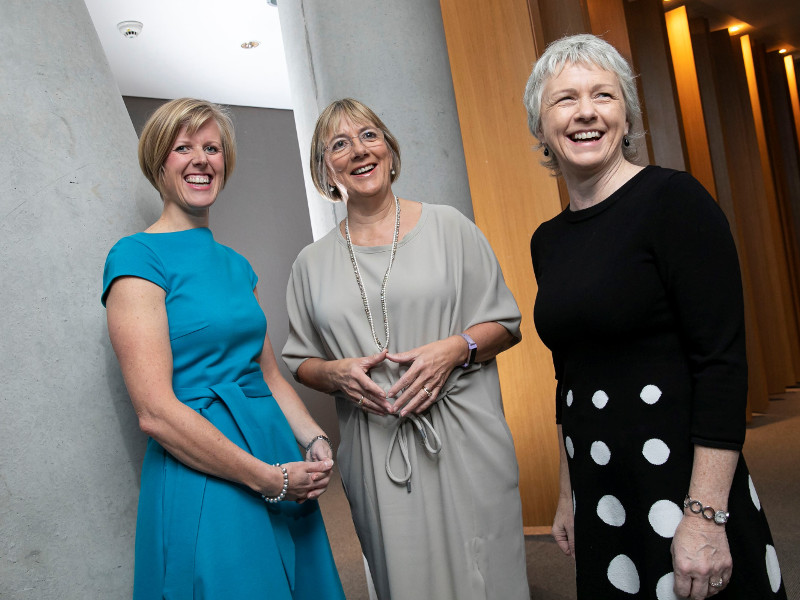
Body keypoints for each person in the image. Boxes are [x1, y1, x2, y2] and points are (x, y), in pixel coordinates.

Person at [525, 34, 786, 600]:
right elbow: (568, 377)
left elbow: (721, 365)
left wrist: (704, 516)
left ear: (627, 115)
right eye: (565, 100)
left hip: (684, 483)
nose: (587, 112)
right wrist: (570, 494)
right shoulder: (547, 241)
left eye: (604, 95)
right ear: (540, 127)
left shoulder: (675, 202)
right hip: (602, 485)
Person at [281, 98, 529, 599]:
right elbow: (300, 361)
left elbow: (505, 322)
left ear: (391, 151)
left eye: (370, 135)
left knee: (488, 575)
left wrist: (455, 348)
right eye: (339, 144)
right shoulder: (310, 263)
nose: (359, 151)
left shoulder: (450, 227)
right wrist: (336, 375)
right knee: (407, 582)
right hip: (377, 449)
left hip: (464, 436)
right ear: (326, 171)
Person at [102, 98, 344, 599]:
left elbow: (270, 376)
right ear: (158, 162)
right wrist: (267, 479)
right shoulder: (136, 257)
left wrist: (314, 439)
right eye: (183, 147)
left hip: (275, 453)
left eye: (211, 148)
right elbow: (154, 412)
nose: (200, 159)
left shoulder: (236, 264)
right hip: (209, 467)